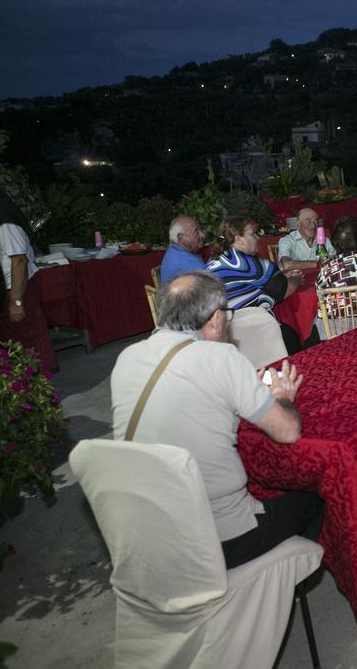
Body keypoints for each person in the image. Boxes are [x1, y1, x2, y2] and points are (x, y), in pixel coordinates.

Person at [110, 271, 322, 569]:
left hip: (149, 533)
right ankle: (268, 585)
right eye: (227, 313)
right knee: (316, 495)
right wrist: (283, 397)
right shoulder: (221, 358)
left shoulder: (127, 358)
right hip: (217, 540)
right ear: (213, 319)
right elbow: (288, 431)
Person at [206, 216, 306, 353]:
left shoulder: (213, 262)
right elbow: (285, 290)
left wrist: (280, 278)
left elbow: (248, 283)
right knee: (293, 336)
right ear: (239, 239)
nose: (258, 238)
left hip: (225, 337)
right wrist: (296, 279)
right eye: (253, 234)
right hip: (256, 333)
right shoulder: (254, 266)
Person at [0, 177, 58, 371]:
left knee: (26, 342)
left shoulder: (2, 215)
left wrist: (16, 301)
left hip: (15, 289)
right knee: (7, 344)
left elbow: (19, 260)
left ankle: (38, 391)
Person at [278, 207, 329, 271]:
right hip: (297, 279)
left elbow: (332, 261)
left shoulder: (323, 240)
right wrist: (318, 264)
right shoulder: (287, 241)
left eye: (315, 221)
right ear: (298, 224)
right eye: (308, 221)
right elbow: (286, 264)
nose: (313, 226)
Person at [159, 216, 206, 284]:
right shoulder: (188, 264)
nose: (202, 235)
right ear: (181, 238)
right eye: (196, 232)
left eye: (200, 230)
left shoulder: (173, 251)